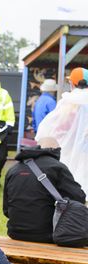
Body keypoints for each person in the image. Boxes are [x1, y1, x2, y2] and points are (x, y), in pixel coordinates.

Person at [3, 144, 86, 243]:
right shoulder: (57, 167)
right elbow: (79, 198)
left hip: (15, 233)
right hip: (49, 235)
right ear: (55, 150)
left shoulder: (13, 170)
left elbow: (6, 210)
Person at [36, 67, 88, 197]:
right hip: (85, 154)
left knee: (70, 191)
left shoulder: (67, 103)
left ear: (72, 83)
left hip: (67, 155)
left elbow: (47, 130)